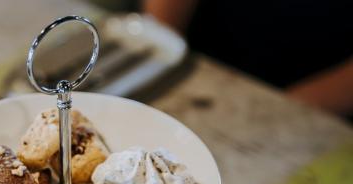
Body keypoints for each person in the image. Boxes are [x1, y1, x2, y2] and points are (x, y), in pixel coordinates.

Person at [143, 0, 353, 117]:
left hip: (314, 102)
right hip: (195, 66)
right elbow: (161, 26)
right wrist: (159, 50)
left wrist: (287, 111)